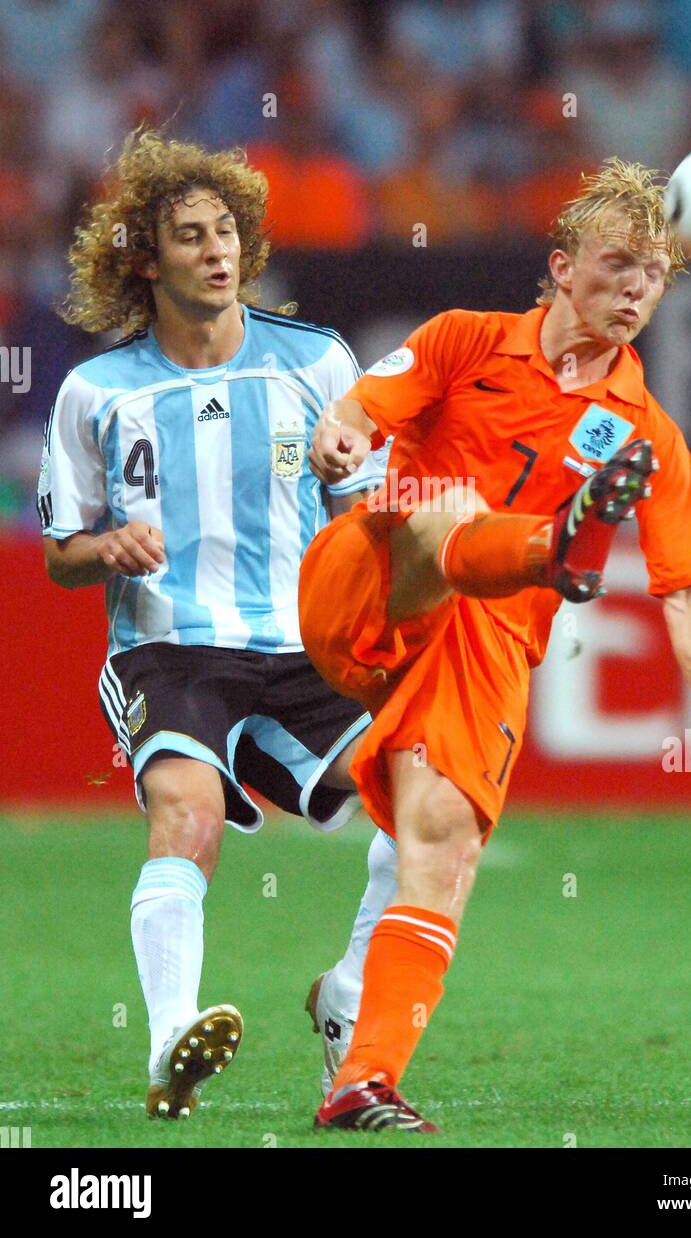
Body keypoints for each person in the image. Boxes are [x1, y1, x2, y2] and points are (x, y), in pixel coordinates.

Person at [300, 158, 691, 1133]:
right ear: (560, 267)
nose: (635, 288)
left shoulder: (643, 430)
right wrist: (338, 439)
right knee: (451, 507)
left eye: (653, 274)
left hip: (482, 643)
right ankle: (548, 544)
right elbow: (352, 415)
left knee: (442, 846)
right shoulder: (461, 339)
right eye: (616, 265)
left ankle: (362, 1072)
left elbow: (688, 592)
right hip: (372, 582)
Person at [37, 129, 397, 1121]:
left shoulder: (317, 361)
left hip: (301, 643)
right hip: (170, 642)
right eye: (190, 236)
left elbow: (364, 521)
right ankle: (168, 1047)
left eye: (228, 230)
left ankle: (346, 1001)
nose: (217, 249)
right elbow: (59, 552)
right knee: (188, 816)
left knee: (427, 802)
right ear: (146, 260)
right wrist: (103, 549)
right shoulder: (95, 392)